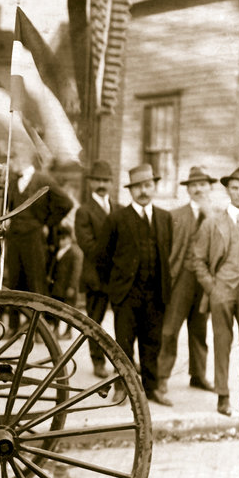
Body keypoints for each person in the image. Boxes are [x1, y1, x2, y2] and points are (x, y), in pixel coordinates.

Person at [97, 163, 173, 406]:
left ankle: (152, 389)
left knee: (152, 343)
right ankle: (123, 387)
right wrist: (115, 289)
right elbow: (102, 257)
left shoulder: (164, 217)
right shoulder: (117, 218)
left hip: (155, 293)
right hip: (126, 294)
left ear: (154, 187)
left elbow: (167, 251)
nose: (143, 191)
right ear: (131, 190)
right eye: (138, 186)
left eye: (148, 185)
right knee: (123, 344)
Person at [191, 165, 239, 416]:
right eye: (234, 188)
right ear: (227, 190)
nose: (238, 193)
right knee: (222, 344)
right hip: (221, 291)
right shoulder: (213, 223)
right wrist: (212, 287)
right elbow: (198, 260)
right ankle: (223, 396)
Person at [156, 166, 215, 396]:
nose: (198, 189)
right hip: (181, 277)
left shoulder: (217, 214)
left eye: (202, 184)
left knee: (199, 330)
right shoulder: (175, 216)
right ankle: (162, 377)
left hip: (205, 281)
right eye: (194, 185)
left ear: (209, 188)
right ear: (188, 190)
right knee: (169, 330)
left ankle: (198, 376)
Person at [4, 144, 74, 302]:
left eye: (13, 157)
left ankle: (37, 324)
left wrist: (47, 223)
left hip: (34, 239)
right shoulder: (13, 182)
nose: (11, 162)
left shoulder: (43, 180)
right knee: (14, 284)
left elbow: (66, 203)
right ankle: (13, 326)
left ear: (23, 158)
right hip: (14, 239)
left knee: (35, 283)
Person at [75, 160, 118, 377]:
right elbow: (88, 246)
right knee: (95, 323)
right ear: (91, 183)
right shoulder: (84, 211)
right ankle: (98, 362)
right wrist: (117, 255)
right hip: (96, 276)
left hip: (118, 277)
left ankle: (123, 363)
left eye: (106, 180)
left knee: (124, 323)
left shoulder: (118, 208)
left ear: (111, 183)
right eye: (98, 180)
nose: (102, 184)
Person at [49, 225, 83, 338]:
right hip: (59, 285)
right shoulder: (60, 251)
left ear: (69, 238)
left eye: (64, 239)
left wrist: (72, 287)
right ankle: (56, 328)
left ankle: (68, 331)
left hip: (68, 286)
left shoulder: (75, 252)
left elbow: (76, 271)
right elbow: (54, 266)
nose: (61, 242)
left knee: (69, 311)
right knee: (57, 308)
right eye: (60, 239)